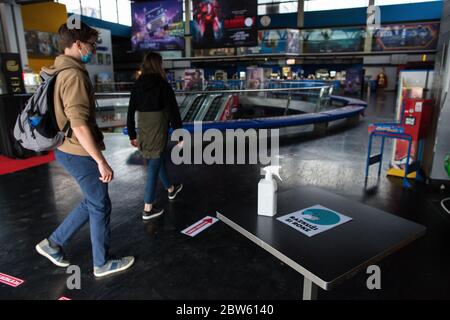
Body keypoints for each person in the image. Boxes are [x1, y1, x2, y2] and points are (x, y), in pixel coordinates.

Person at [35, 22, 134, 278]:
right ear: (78, 44)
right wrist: (100, 160)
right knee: (100, 205)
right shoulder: (74, 75)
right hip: (79, 151)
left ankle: (53, 243)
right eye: (91, 44)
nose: (93, 49)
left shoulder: (59, 69)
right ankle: (101, 263)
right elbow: (78, 124)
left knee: (94, 201)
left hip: (66, 148)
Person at [127, 51, 183, 220]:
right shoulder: (163, 85)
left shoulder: (137, 84)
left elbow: (130, 111)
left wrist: (132, 134)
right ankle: (148, 208)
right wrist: (179, 134)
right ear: (159, 65)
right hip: (158, 128)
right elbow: (173, 111)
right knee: (154, 164)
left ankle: (171, 189)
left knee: (154, 159)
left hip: (143, 127)